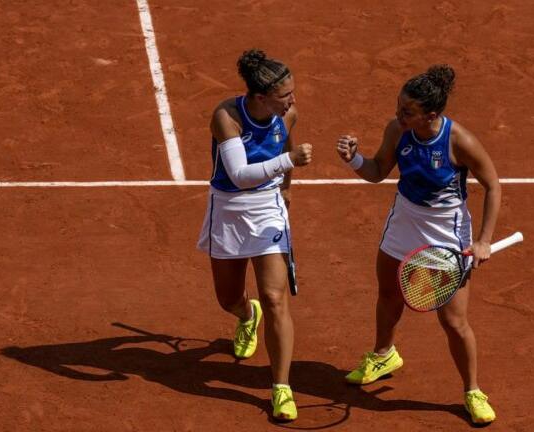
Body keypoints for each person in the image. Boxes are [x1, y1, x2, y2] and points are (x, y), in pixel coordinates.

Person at [336, 64, 501, 425]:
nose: (398, 115)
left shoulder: (461, 141)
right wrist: (354, 160)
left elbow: (493, 185)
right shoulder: (398, 130)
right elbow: (379, 170)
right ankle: (383, 354)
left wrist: (484, 240)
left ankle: (472, 390)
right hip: (404, 223)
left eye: (407, 111)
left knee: (454, 321)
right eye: (399, 107)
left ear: (432, 115)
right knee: (388, 294)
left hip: (446, 233)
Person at [196, 49, 311, 422]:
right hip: (228, 209)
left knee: (276, 298)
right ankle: (247, 315)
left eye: (292, 92)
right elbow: (239, 175)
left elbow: (286, 143)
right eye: (285, 95)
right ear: (260, 97)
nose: (292, 100)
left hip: (267, 212)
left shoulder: (287, 114)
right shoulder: (225, 117)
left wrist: (288, 187)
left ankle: (281, 387)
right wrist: (288, 164)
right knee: (227, 297)